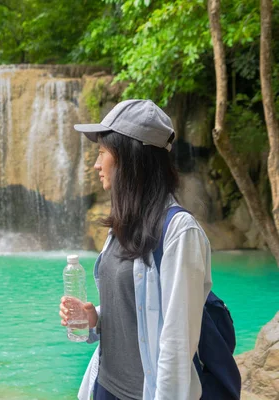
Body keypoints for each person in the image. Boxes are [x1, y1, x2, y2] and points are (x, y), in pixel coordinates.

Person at [59, 99, 212, 400]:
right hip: (104, 386)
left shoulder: (180, 232)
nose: (96, 164)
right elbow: (139, 308)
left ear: (129, 156)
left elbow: (177, 344)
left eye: (102, 152)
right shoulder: (123, 225)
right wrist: (96, 318)